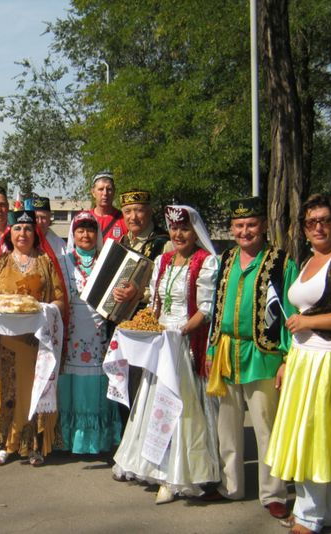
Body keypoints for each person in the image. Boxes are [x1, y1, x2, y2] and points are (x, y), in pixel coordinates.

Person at [266, 194, 331, 534]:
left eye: (325, 220)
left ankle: (309, 516)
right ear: (304, 229)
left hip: (329, 360)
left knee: (314, 436)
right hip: (303, 358)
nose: (318, 227)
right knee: (313, 437)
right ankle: (319, 513)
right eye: (311, 222)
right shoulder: (308, 259)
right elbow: (297, 317)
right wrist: (288, 358)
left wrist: (311, 322)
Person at [113, 205, 219, 504]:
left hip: (183, 342)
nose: (178, 234)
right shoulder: (163, 260)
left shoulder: (206, 262)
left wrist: (181, 332)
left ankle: (177, 474)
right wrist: (146, 325)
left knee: (179, 406)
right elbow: (155, 301)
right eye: (174, 229)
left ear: (195, 231)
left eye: (184, 228)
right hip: (161, 341)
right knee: (152, 403)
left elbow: (206, 309)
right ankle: (152, 464)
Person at [204, 196, 297, 519]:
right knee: (227, 425)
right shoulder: (227, 258)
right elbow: (217, 307)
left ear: (263, 227)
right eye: (239, 226)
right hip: (227, 351)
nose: (245, 231)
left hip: (264, 354)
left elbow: (291, 311)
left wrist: (288, 358)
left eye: (251, 225)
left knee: (266, 426)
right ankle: (230, 485)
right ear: (231, 228)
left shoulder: (282, 263)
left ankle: (273, 493)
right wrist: (212, 348)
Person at [0, 210, 67, 467]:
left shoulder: (45, 262)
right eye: (17, 229)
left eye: (28, 229)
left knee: (33, 391)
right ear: (10, 233)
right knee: (6, 391)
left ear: (35, 233)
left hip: (35, 342)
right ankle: (6, 445)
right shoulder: (0, 263)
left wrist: (46, 309)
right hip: (5, 341)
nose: (22, 234)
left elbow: (60, 300)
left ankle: (35, 446)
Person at [57, 211, 121, 454]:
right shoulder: (64, 261)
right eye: (80, 230)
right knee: (70, 387)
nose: (85, 235)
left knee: (95, 387)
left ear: (98, 234)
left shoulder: (107, 262)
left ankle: (96, 441)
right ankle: (68, 439)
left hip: (98, 335)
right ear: (73, 234)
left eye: (90, 229)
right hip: (72, 333)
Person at [112, 190, 172, 419]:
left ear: (149, 212)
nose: (133, 217)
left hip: (149, 324)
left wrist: (141, 294)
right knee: (122, 383)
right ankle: (126, 440)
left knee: (146, 385)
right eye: (127, 211)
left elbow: (168, 286)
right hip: (120, 323)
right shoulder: (120, 242)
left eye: (138, 210)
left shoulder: (163, 243)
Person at [88, 172, 127, 242]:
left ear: (114, 192)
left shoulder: (124, 219)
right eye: (101, 189)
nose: (105, 193)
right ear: (93, 192)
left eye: (109, 189)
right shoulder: (83, 219)